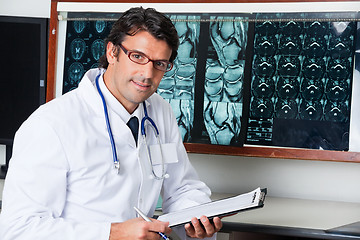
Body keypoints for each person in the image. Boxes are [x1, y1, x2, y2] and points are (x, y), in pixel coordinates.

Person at [0, 7, 223, 240]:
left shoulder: (160, 112)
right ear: (112, 52)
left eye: (159, 64)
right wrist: (111, 233)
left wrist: (196, 217)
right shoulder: (51, 125)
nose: (147, 73)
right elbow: (18, 229)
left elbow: (181, 188)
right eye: (137, 56)